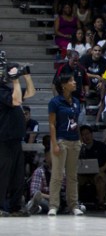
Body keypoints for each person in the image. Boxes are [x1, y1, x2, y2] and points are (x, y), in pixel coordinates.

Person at [0, 63, 35, 217]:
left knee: (17, 176)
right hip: (3, 140)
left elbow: (31, 93)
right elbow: (16, 101)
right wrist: (15, 80)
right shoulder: (1, 91)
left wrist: (26, 76)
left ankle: (16, 207)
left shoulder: (7, 89)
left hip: (15, 140)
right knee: (3, 175)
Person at [48, 73, 84, 216]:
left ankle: (73, 205)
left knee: (72, 176)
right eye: (71, 80)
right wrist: (54, 143)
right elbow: (51, 124)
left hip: (74, 141)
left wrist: (80, 140)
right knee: (57, 175)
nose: (74, 82)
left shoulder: (76, 101)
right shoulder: (55, 102)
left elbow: (77, 122)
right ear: (63, 85)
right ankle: (53, 205)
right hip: (60, 140)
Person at [78, 125, 106, 208]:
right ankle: (75, 202)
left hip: (98, 172)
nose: (86, 136)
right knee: (74, 179)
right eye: (83, 135)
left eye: (87, 134)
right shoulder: (79, 148)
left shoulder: (101, 145)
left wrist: (101, 169)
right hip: (82, 174)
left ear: (91, 134)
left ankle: (101, 202)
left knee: (100, 178)